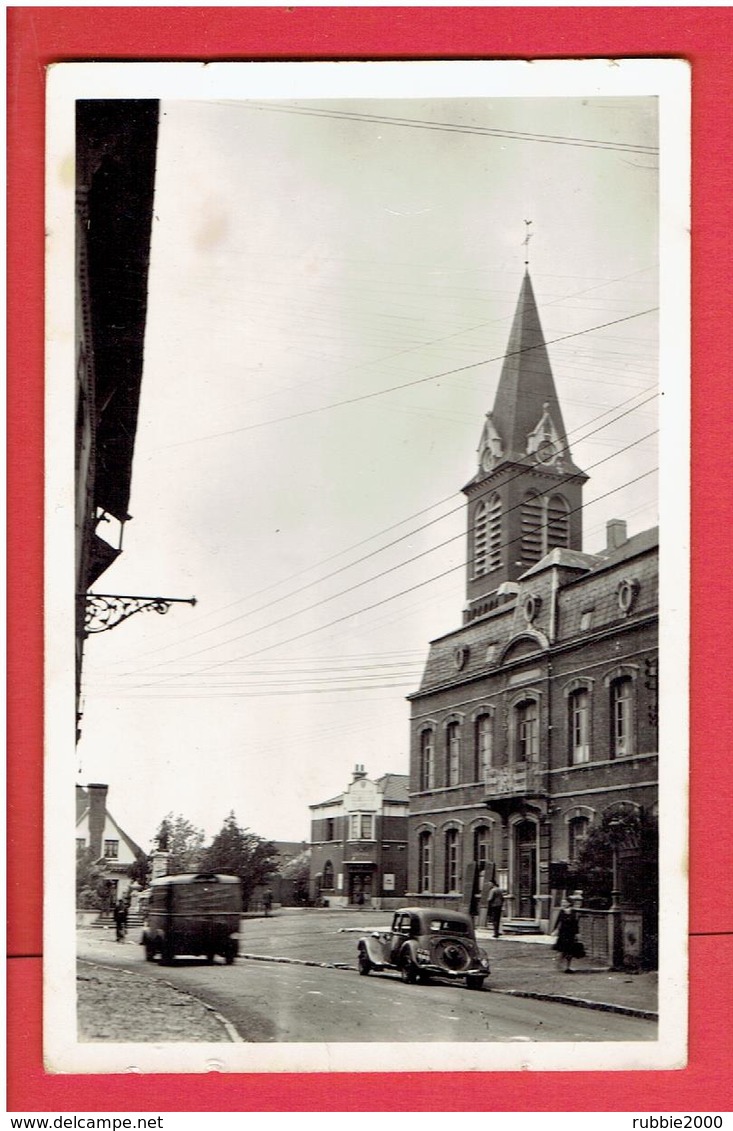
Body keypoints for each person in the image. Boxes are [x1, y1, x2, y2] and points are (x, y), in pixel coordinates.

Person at [553, 899, 580, 972]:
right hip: (563, 933)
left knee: (570, 951)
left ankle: (568, 967)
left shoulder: (574, 912)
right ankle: (559, 964)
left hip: (571, 933)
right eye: (562, 902)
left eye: (565, 902)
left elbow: (575, 923)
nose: (563, 904)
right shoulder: (561, 912)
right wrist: (555, 930)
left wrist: (577, 933)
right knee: (561, 950)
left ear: (569, 903)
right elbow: (558, 921)